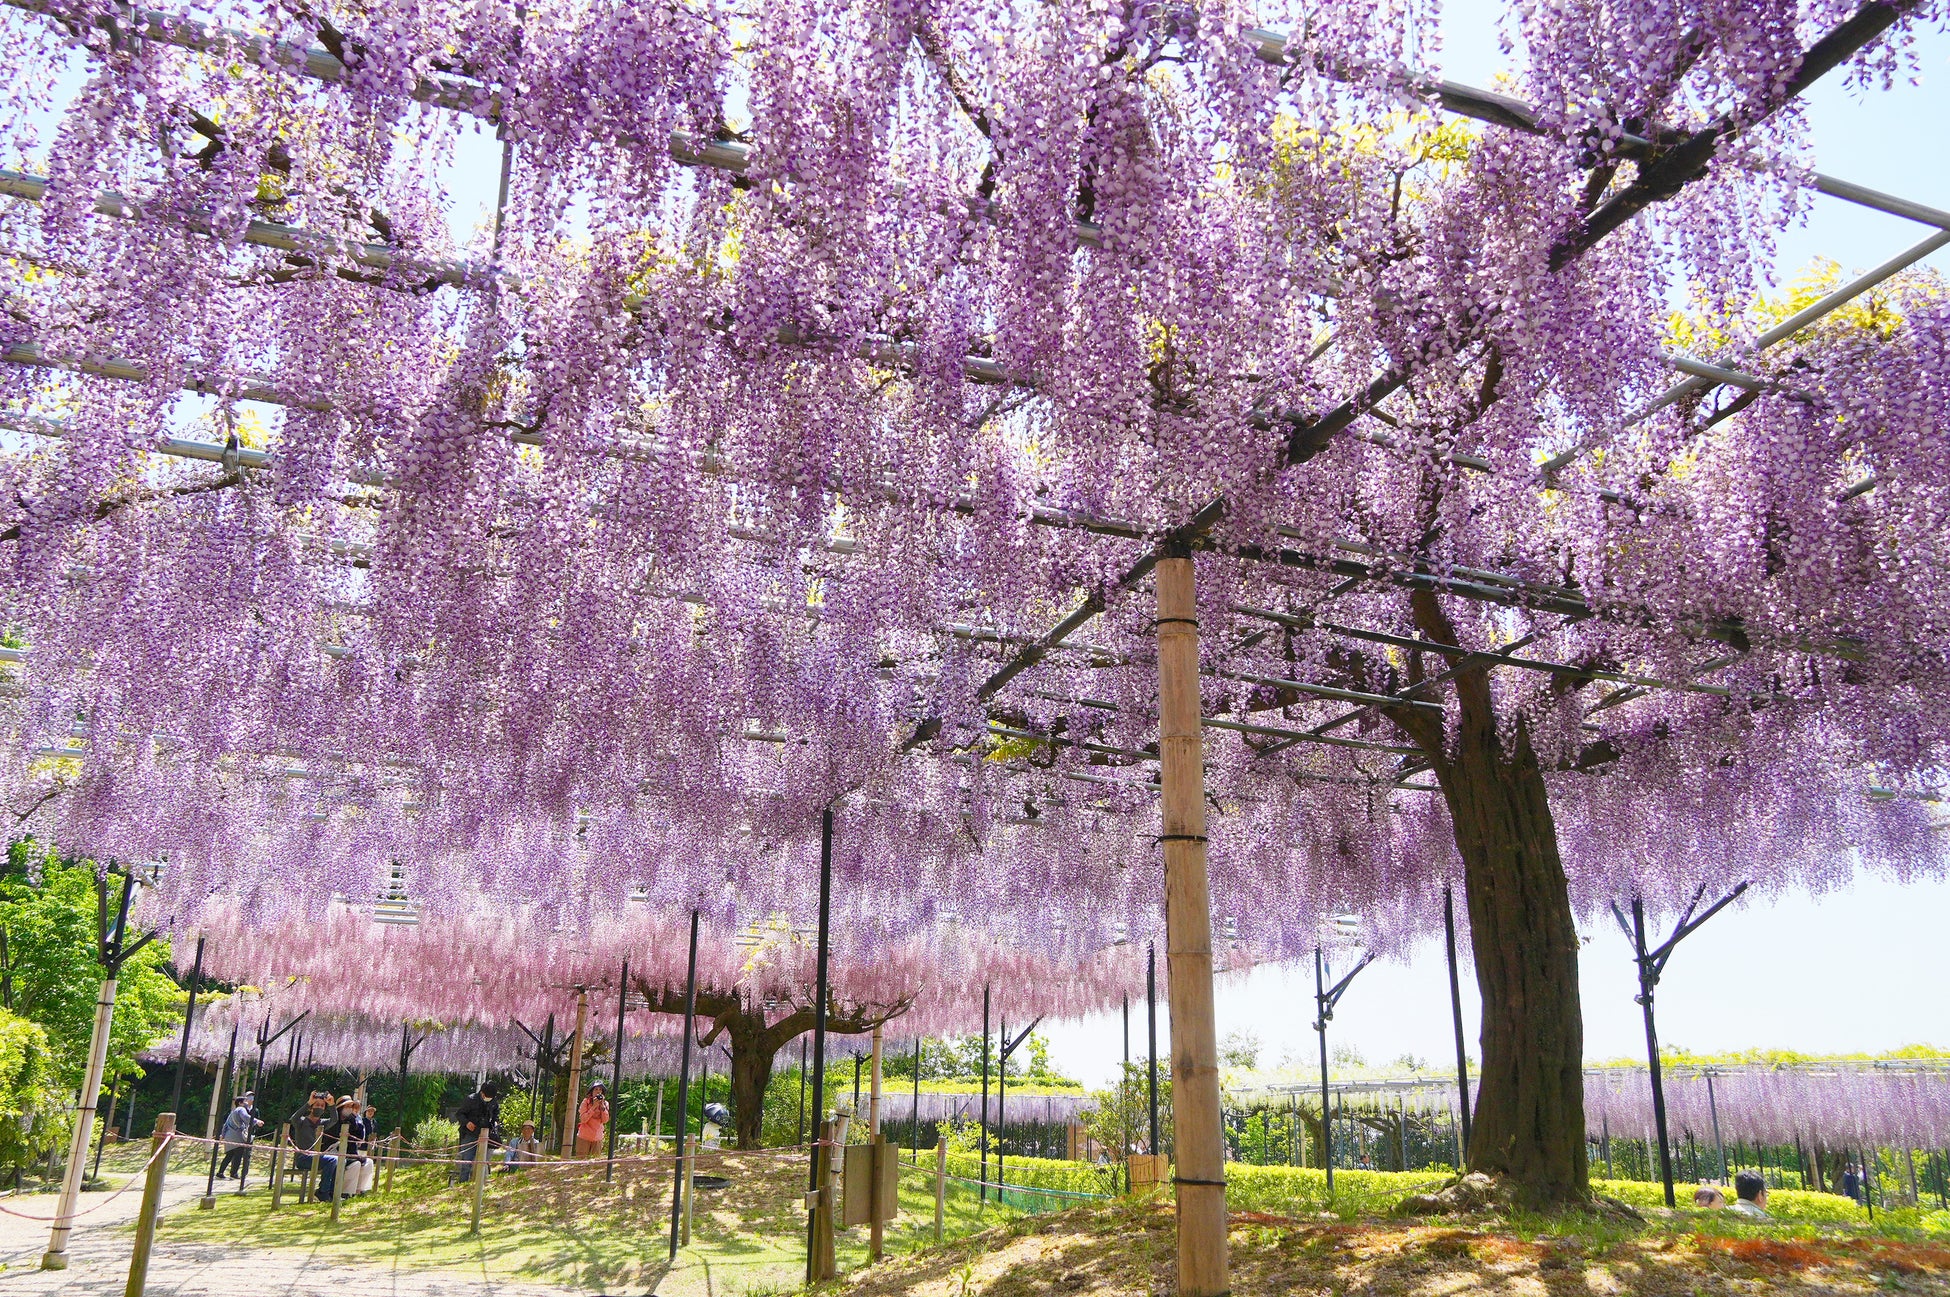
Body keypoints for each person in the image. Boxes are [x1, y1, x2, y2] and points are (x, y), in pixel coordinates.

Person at [452, 1081, 501, 1183]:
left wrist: (495, 1123)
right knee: (467, 1161)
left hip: (486, 1134)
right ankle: (463, 1184)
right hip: (470, 1134)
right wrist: (467, 1122)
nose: (489, 1098)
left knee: (484, 1162)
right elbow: (460, 1114)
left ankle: (481, 1183)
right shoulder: (471, 1099)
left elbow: (496, 1115)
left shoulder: (493, 1101)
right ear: (482, 1093)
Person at [286, 1091, 331, 1177]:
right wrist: (309, 1102)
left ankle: (327, 1189)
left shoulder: (323, 1123)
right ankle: (324, 1190)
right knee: (332, 1160)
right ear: (311, 1108)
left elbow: (334, 1120)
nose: (320, 1107)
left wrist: (331, 1104)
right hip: (302, 1158)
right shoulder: (302, 1121)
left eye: (322, 1106)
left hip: (315, 1156)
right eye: (317, 1105)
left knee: (337, 1161)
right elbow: (294, 1118)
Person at [217, 1092, 261, 1180]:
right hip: (237, 1136)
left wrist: (223, 1135)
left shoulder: (233, 1112)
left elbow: (225, 1125)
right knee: (238, 1155)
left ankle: (220, 1172)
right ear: (240, 1103)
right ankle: (234, 1173)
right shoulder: (241, 1109)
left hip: (229, 1136)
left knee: (229, 1155)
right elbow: (246, 1117)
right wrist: (257, 1121)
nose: (246, 1102)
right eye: (244, 1101)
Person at [574, 1082, 610, 1158]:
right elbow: (583, 1119)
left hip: (597, 1137)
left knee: (595, 1163)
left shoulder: (605, 1104)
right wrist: (593, 1107)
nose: (598, 1092)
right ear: (591, 1092)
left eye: (600, 1090)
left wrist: (602, 1106)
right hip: (584, 1136)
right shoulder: (585, 1102)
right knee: (581, 1162)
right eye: (596, 1089)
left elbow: (605, 1120)